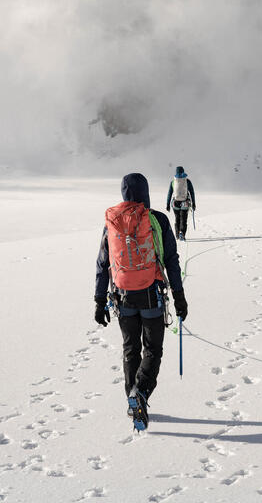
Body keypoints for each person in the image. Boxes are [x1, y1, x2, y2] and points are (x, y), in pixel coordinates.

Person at [94, 172, 188, 432]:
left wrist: (99, 299)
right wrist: (179, 297)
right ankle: (142, 393)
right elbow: (171, 259)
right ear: (146, 192)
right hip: (151, 295)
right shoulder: (157, 219)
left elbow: (103, 264)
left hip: (122, 297)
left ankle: (132, 399)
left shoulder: (112, 222)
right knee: (152, 351)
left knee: (130, 349)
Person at [166, 165, 196, 241]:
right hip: (185, 203)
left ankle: (177, 235)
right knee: (183, 219)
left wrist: (167, 205)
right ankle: (182, 233)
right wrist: (193, 203)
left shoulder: (173, 182)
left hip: (175, 203)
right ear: (183, 171)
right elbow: (192, 193)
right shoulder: (187, 181)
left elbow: (169, 193)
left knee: (177, 219)